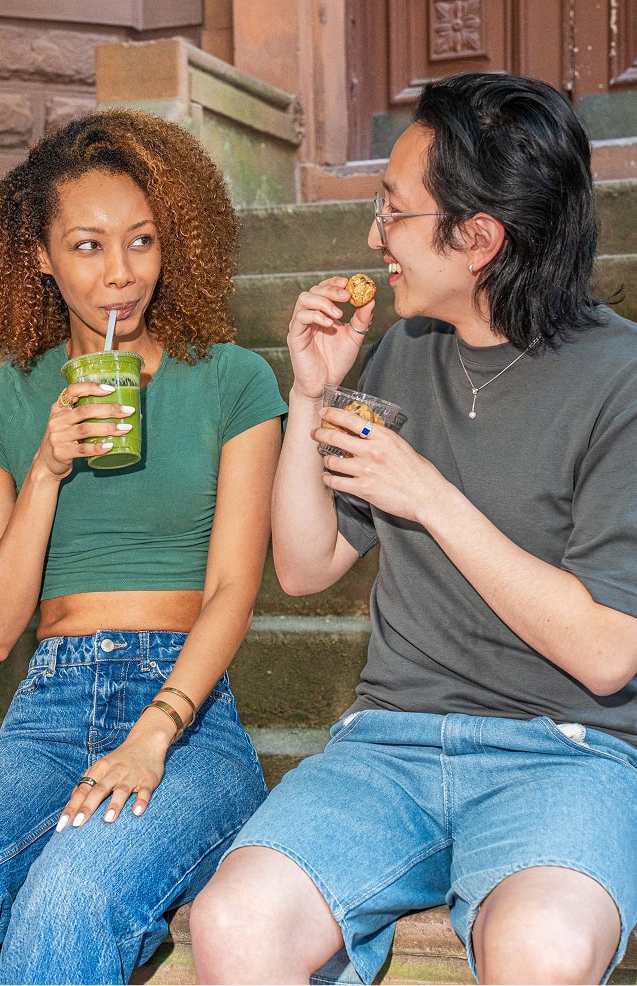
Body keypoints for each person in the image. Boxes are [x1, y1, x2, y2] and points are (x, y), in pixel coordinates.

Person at [190, 71, 637, 986]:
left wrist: (429, 496)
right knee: (233, 921)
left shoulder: (619, 380)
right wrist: (308, 392)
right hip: (388, 744)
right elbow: (306, 564)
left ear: (477, 239)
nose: (371, 236)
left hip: (564, 753)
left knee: (543, 948)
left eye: (391, 211)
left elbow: (605, 655)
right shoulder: (402, 349)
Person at [0, 108, 286, 984]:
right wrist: (46, 471)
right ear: (39, 256)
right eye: (87, 246)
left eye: (142, 242)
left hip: (189, 718)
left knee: (72, 897)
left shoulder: (233, 380)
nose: (120, 275)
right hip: (47, 712)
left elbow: (236, 586)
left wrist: (156, 731)